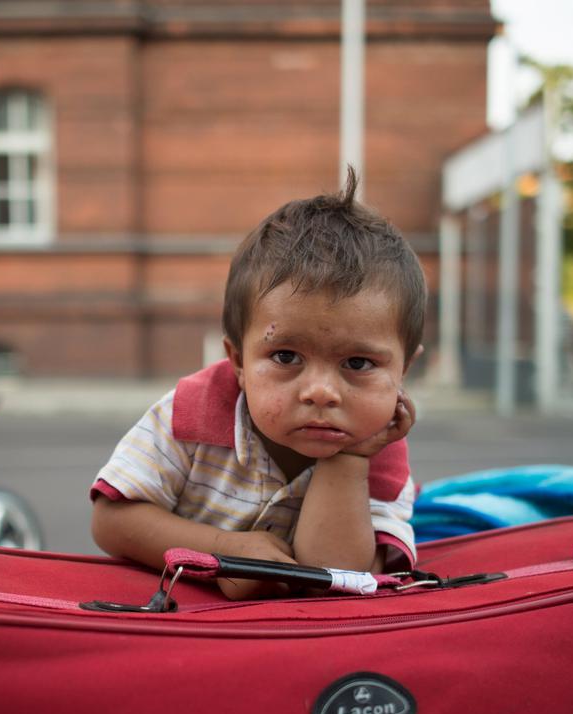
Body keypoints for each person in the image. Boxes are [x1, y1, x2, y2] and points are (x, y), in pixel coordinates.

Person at [90, 170, 424, 600]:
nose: (320, 391)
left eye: (358, 362)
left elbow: (336, 578)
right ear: (238, 362)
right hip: (176, 630)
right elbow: (111, 520)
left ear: (402, 373)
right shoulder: (190, 412)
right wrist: (223, 552)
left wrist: (350, 460)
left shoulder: (381, 450)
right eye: (286, 357)